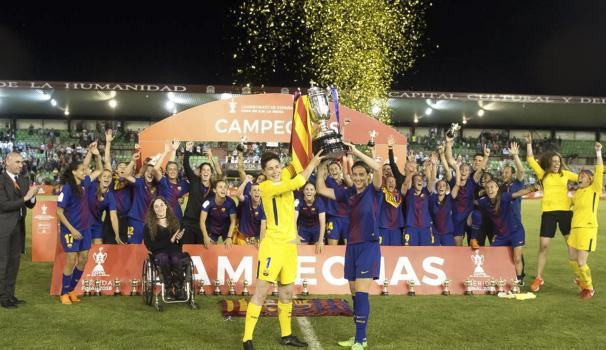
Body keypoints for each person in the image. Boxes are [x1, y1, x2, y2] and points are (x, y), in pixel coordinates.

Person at [242, 150, 323, 350]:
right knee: (261, 292)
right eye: (270, 168)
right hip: (272, 246)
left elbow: (295, 163)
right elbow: (298, 182)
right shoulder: (265, 187)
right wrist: (313, 163)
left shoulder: (284, 174)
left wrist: (306, 148)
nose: (275, 171)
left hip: (289, 247)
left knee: (287, 293)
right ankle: (247, 339)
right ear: (264, 171)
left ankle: (286, 335)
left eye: (277, 166)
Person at [316, 143, 381, 350]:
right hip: (351, 247)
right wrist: (321, 165)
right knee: (354, 295)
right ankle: (357, 336)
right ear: (351, 176)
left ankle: (361, 340)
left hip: (368, 247)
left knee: (362, 294)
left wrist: (356, 153)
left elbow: (378, 168)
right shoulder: (348, 192)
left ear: (367, 176)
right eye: (356, 175)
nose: (359, 178)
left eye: (362, 174)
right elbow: (320, 189)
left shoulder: (374, 190)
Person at [526, 133, 578, 292]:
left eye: (559, 161)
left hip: (565, 213)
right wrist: (529, 143)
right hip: (548, 213)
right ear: (549, 162)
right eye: (554, 161)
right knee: (543, 246)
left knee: (571, 245)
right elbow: (530, 160)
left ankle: (579, 276)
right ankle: (539, 278)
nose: (556, 163)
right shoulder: (544, 174)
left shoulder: (566, 174)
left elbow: (584, 179)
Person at [478, 180, 540, 283]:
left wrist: (532, 188)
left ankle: (519, 279)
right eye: (488, 188)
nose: (490, 189)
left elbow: (519, 193)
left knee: (517, 258)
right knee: (491, 256)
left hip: (516, 232)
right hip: (501, 235)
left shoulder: (504, 197)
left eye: (492, 187)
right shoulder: (484, 201)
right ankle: (495, 277)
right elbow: (472, 203)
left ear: (497, 188)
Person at [0, 152, 39, 309]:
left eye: (22, 162)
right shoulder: (1, 180)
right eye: (17, 161)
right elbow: (4, 205)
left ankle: (10, 295)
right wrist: (25, 197)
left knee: (14, 263)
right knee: (3, 263)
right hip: (3, 227)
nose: (20, 164)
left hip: (18, 227)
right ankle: (2, 297)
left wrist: (33, 196)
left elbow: (29, 204)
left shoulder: (23, 180)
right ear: (7, 162)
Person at [56, 159, 95, 305]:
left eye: (85, 170)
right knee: (71, 259)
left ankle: (71, 289)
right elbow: (59, 212)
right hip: (70, 230)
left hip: (85, 229)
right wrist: (72, 230)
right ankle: (63, 293)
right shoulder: (67, 188)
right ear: (74, 172)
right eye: (82, 170)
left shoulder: (84, 184)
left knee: (84, 258)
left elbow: (98, 170)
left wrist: (95, 154)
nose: (85, 172)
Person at [567, 142, 602, 299]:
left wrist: (598, 153)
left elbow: (599, 171)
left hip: (587, 229)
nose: (580, 178)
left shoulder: (594, 189)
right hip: (574, 229)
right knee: (572, 260)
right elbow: (566, 204)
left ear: (590, 180)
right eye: (579, 176)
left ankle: (589, 288)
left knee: (581, 261)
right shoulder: (577, 193)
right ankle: (581, 282)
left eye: (583, 176)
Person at [143, 197, 187, 299]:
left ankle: (179, 289)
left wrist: (179, 239)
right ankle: (169, 289)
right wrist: (170, 241)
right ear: (153, 210)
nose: (159, 208)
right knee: (164, 259)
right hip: (159, 253)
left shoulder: (174, 222)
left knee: (176, 259)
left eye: (162, 205)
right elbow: (150, 246)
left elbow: (180, 245)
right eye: (156, 206)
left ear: (166, 206)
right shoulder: (148, 226)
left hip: (174, 251)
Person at [182, 142, 222, 244]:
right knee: (188, 249)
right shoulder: (194, 180)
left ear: (210, 173)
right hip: (189, 222)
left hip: (204, 223)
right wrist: (187, 150)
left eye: (208, 170)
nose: (205, 172)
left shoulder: (214, 186)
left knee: (201, 251)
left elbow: (220, 173)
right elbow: (186, 165)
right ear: (200, 172)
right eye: (203, 170)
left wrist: (212, 157)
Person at [402, 154, 437, 246]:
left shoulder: (426, 191)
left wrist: (433, 165)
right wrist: (411, 172)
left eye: (421, 180)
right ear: (413, 183)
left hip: (425, 228)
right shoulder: (409, 193)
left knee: (425, 252)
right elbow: (405, 184)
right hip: (411, 227)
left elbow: (432, 180)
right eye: (417, 180)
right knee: (410, 253)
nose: (419, 181)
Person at [430, 160, 461, 246]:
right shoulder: (432, 198)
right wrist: (433, 164)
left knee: (449, 256)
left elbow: (457, 184)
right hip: (435, 234)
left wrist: (457, 169)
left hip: (447, 234)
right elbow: (432, 180)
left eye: (443, 185)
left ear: (447, 188)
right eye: (439, 185)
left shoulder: (450, 198)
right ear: (436, 188)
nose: (441, 187)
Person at [200, 180, 237, 248]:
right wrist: (205, 237)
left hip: (226, 228)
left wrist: (229, 237)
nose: (223, 189)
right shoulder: (208, 202)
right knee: (209, 248)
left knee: (230, 247)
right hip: (213, 229)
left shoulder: (231, 202)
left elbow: (233, 221)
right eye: (220, 187)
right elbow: (202, 221)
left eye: (225, 187)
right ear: (214, 190)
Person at [234, 175, 266, 245]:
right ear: (250, 193)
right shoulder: (247, 200)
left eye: (259, 190)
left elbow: (263, 226)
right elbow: (238, 195)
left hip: (256, 239)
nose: (257, 192)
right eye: (254, 190)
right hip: (243, 238)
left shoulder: (264, 206)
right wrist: (245, 181)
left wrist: (261, 242)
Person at [295, 182, 326, 250]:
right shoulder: (298, 200)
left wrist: (320, 241)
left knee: (320, 248)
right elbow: (293, 220)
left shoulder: (319, 201)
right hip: (303, 228)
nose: (309, 191)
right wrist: (296, 235)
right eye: (307, 189)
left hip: (316, 228)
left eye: (311, 189)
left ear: (315, 192)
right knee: (300, 249)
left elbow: (322, 223)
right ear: (303, 191)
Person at [378, 175, 405, 246]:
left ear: (395, 184)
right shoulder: (381, 193)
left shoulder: (399, 193)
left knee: (396, 251)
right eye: (388, 181)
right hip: (383, 227)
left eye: (392, 181)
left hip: (396, 227)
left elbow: (405, 185)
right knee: (383, 251)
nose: (391, 183)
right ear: (385, 183)